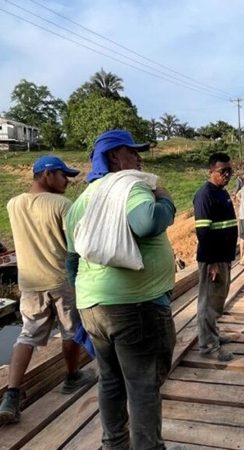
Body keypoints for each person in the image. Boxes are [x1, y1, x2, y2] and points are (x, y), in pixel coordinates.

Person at [64, 129, 183, 450]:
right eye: (133, 151)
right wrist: (166, 197)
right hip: (136, 307)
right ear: (115, 157)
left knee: (111, 380)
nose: (139, 157)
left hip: (94, 308)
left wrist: (82, 304)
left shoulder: (83, 200)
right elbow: (146, 223)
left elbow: (72, 260)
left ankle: (114, 445)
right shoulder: (129, 185)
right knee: (143, 385)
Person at [0, 155, 96, 425]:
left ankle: (12, 394)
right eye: (64, 175)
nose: (67, 181)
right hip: (60, 281)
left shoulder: (13, 204)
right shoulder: (62, 205)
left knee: (27, 335)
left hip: (28, 284)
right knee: (71, 330)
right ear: (48, 174)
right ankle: (72, 376)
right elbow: (77, 245)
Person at [193, 152, 239, 362]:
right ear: (211, 171)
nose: (227, 175)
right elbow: (203, 232)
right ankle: (208, 346)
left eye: (230, 171)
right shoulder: (205, 195)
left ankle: (213, 336)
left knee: (217, 300)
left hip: (224, 257)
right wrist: (211, 263)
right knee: (208, 302)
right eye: (223, 171)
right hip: (213, 259)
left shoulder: (222, 192)